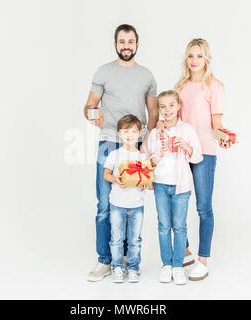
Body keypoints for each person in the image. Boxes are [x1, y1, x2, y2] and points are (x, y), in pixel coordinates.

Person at [84, 24, 158, 282]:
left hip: (136, 145)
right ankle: (105, 261)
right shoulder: (103, 72)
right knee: (105, 205)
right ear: (115, 44)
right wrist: (94, 116)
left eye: (130, 41)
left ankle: (126, 260)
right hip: (108, 142)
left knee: (131, 202)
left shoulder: (147, 76)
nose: (126, 45)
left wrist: (147, 141)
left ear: (137, 45)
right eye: (121, 41)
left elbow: (154, 112)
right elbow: (89, 107)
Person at [157, 38, 232, 281]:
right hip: (179, 152)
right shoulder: (180, 87)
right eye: (190, 56)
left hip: (205, 153)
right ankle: (185, 251)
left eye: (199, 56)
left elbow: (216, 125)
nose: (194, 61)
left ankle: (203, 259)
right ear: (186, 59)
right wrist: (159, 122)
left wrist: (224, 136)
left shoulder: (214, 87)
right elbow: (169, 115)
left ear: (206, 59)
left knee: (203, 207)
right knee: (178, 202)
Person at [147, 90, 202, 285]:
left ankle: (178, 265)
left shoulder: (187, 130)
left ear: (179, 106)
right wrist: (157, 155)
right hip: (161, 184)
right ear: (159, 110)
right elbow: (149, 162)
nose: (167, 110)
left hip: (181, 186)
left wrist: (186, 146)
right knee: (163, 226)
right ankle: (166, 265)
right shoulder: (155, 132)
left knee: (179, 226)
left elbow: (198, 157)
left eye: (171, 105)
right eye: (163, 106)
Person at [103, 115, 149, 283]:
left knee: (135, 239)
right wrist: (116, 179)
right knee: (116, 238)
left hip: (137, 204)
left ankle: (133, 268)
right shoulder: (115, 154)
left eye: (133, 131)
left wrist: (145, 184)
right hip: (117, 204)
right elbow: (106, 174)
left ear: (139, 134)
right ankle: (117, 267)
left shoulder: (142, 157)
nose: (129, 135)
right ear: (119, 134)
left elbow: (146, 179)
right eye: (125, 131)